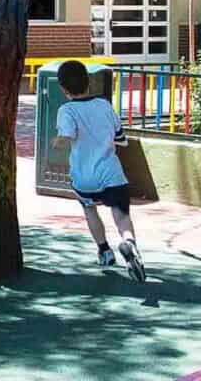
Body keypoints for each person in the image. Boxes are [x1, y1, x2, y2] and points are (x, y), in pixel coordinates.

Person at [51, 60, 146, 282]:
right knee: (121, 214)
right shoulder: (104, 105)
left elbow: (66, 135)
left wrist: (58, 141)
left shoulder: (67, 110)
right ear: (88, 82)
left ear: (63, 88)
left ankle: (104, 251)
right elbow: (120, 138)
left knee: (89, 209)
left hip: (84, 177)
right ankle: (129, 243)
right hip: (111, 173)